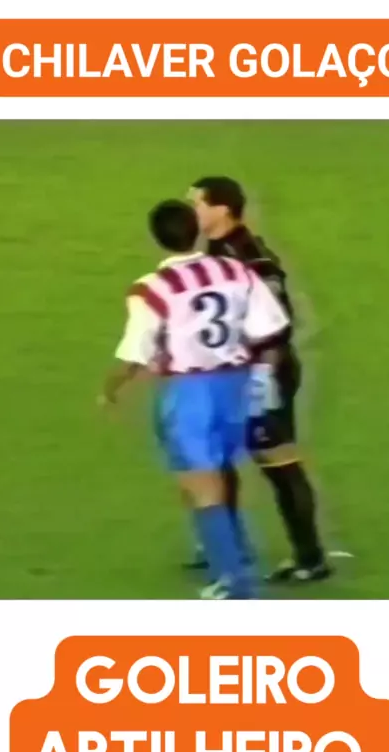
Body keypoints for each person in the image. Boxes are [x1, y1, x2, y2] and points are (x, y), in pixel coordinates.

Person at [98, 199, 290, 599]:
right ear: (196, 229)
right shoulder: (236, 271)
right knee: (220, 472)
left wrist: (110, 389)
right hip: (236, 385)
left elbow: (135, 353)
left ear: (156, 237)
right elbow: (269, 327)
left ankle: (235, 581)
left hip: (189, 392)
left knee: (200, 485)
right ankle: (237, 554)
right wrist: (262, 378)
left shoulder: (152, 288)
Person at [187, 176, 330, 582]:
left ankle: (310, 558)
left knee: (279, 464)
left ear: (222, 209)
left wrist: (262, 377)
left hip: (261, 377)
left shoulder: (251, 258)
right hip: (227, 374)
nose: (191, 211)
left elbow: (279, 323)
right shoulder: (217, 251)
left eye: (197, 203)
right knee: (216, 457)